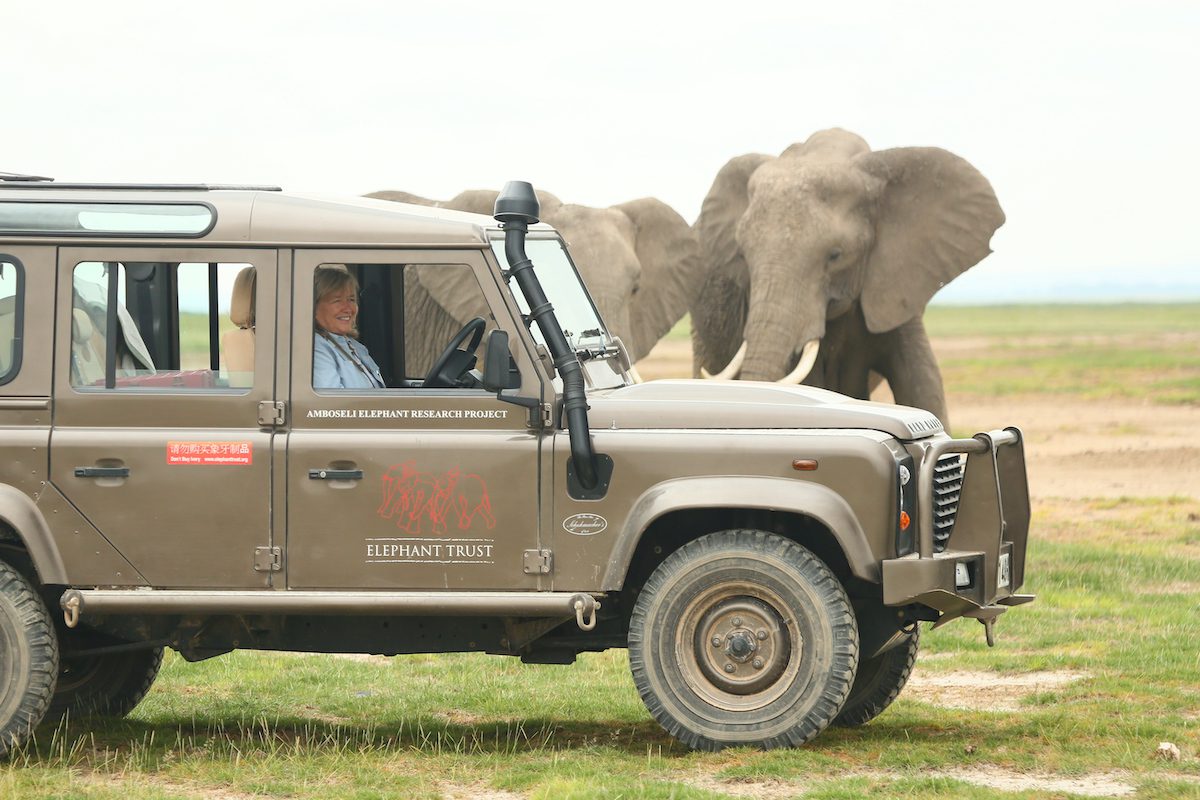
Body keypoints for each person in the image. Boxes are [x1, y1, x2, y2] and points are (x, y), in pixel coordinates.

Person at [313, 265, 386, 389]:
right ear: (313, 306)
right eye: (337, 301)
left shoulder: (357, 347)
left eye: (351, 299)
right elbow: (332, 404)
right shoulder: (316, 348)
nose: (348, 308)